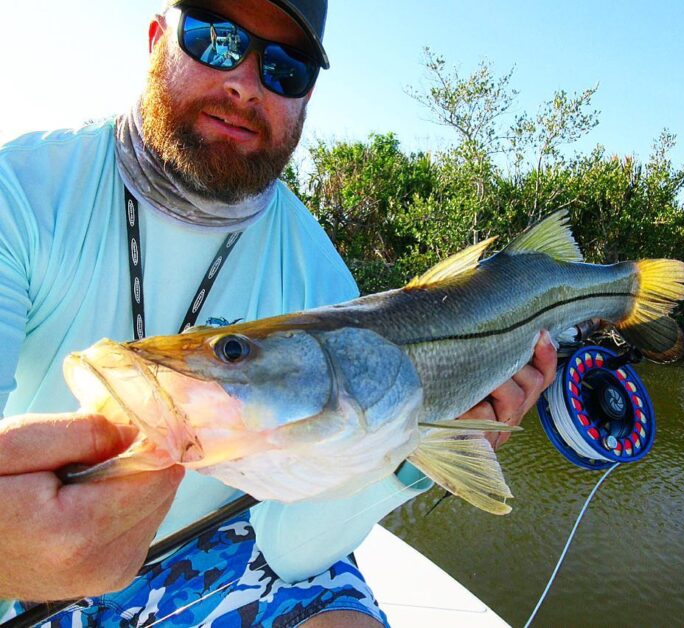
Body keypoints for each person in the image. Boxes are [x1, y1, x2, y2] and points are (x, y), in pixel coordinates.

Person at [0, 1, 557, 626]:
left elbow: (292, 549)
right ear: (156, 38)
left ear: (307, 98)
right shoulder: (19, 195)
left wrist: (407, 451)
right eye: (214, 38)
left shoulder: (325, 281)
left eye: (285, 68)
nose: (244, 81)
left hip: (228, 544)